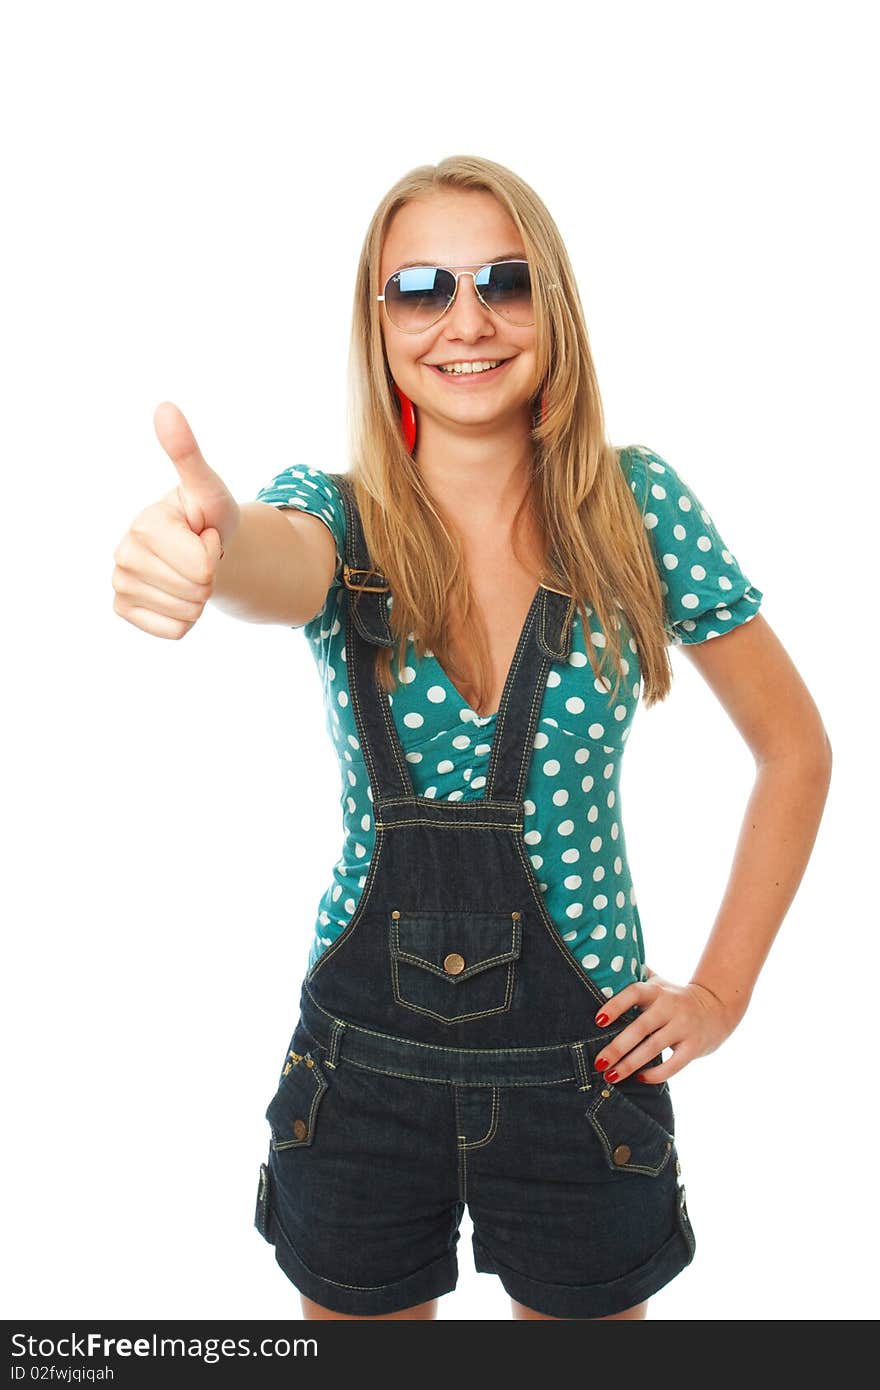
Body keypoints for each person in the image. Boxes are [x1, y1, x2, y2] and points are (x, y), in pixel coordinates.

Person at [111, 154, 832, 1320]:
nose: (466, 320)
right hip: (359, 1077)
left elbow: (795, 750)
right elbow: (268, 561)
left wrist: (720, 994)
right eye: (420, 288)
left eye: (503, 280)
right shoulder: (335, 516)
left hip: (584, 1075)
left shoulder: (638, 511)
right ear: (377, 319)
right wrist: (206, 545)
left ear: (552, 302)